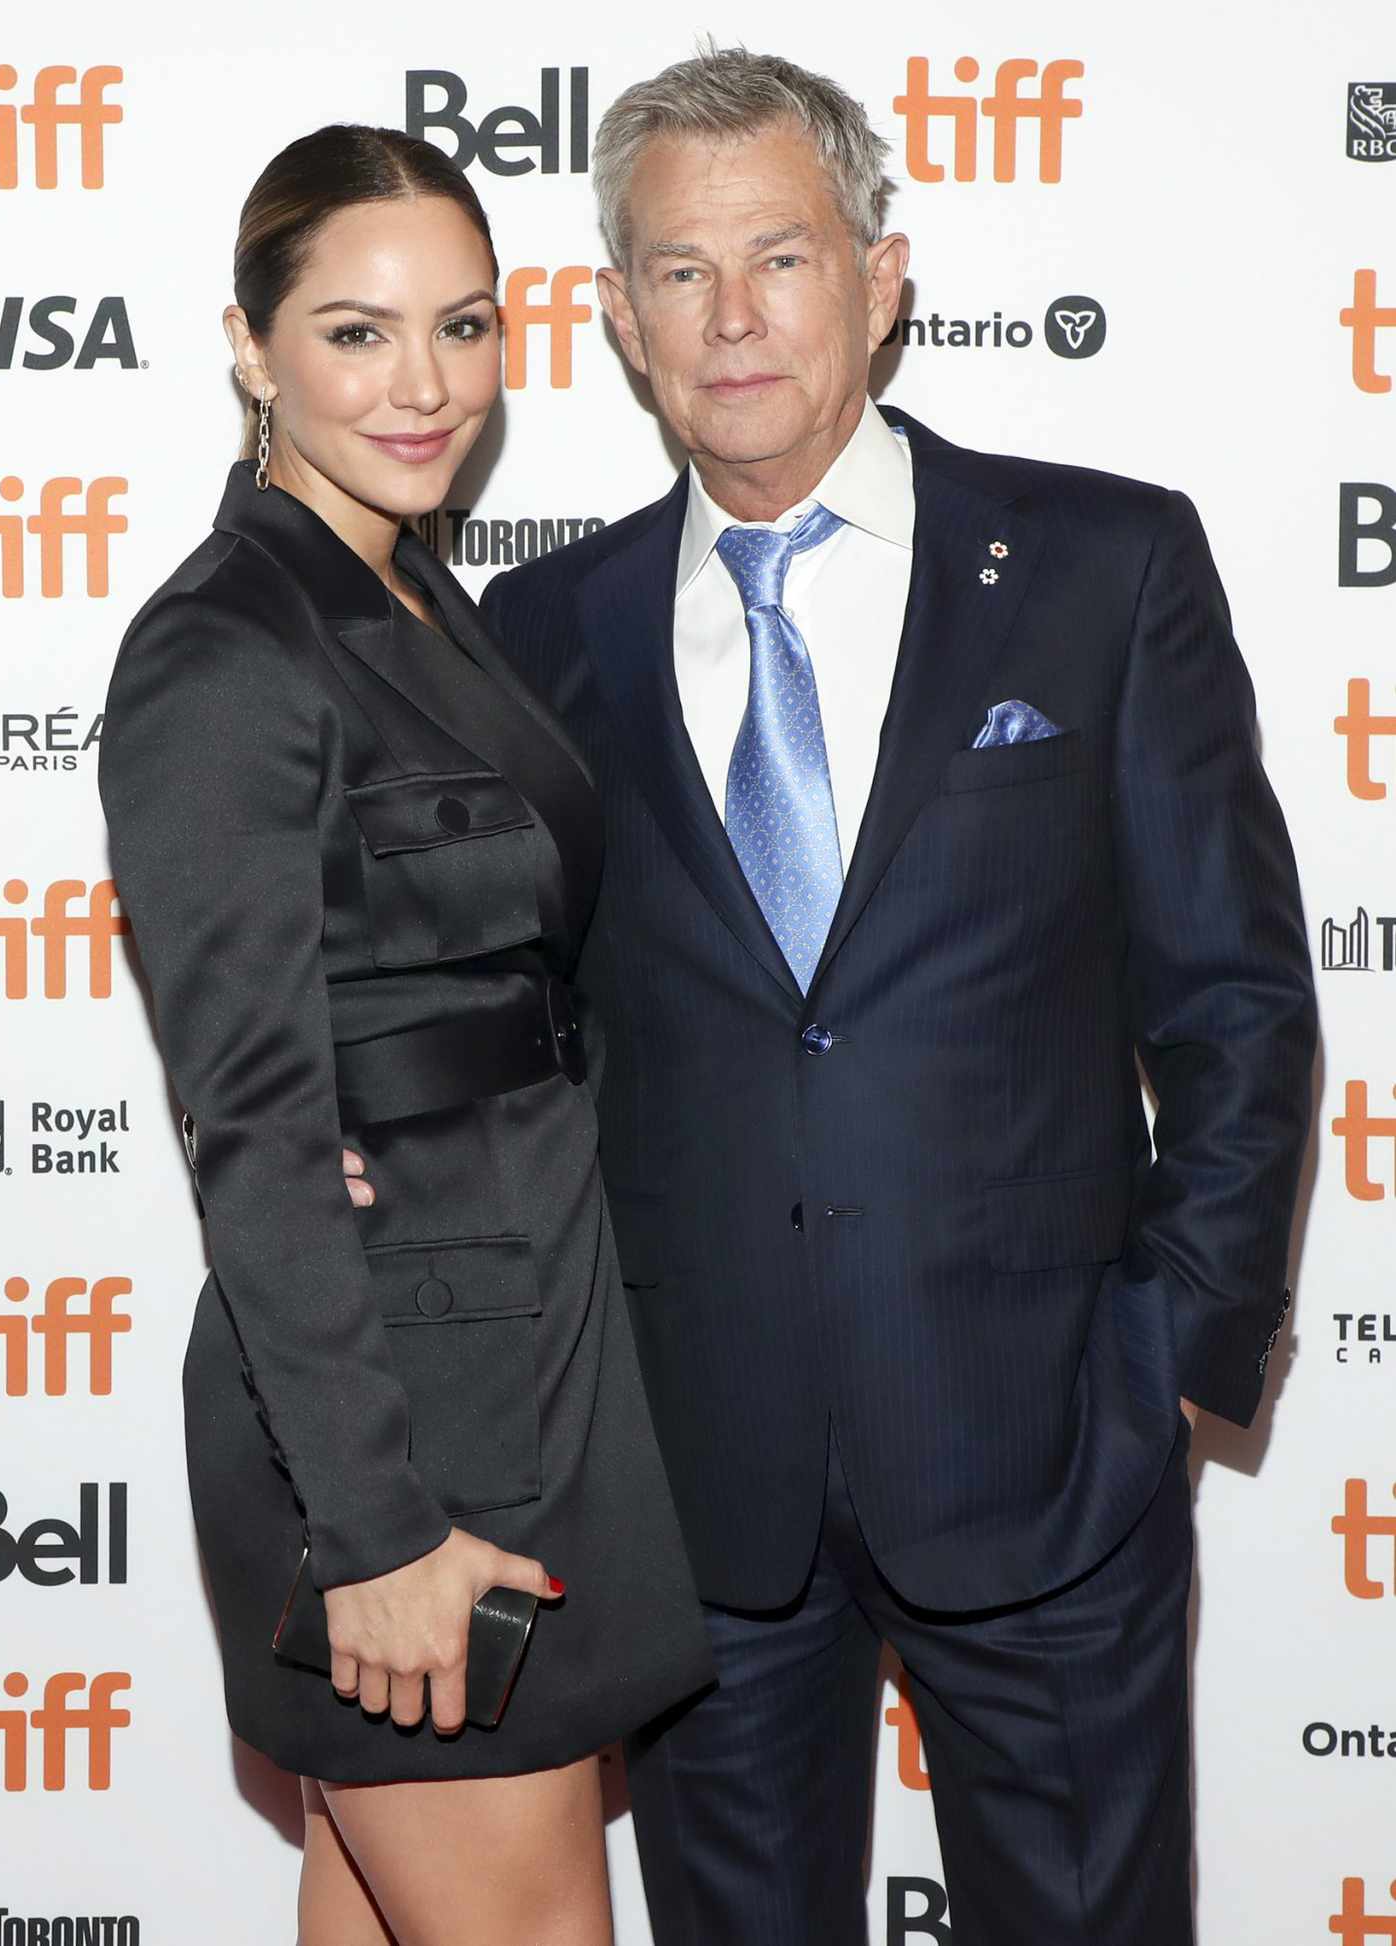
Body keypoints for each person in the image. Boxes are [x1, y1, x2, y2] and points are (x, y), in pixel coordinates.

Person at [429, 46, 1315, 1946]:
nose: (733, 315)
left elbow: (1236, 999)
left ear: (883, 273)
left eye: (782, 255)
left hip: (1048, 1462)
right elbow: (534, 1043)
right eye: (679, 270)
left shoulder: (1102, 563)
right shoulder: (541, 634)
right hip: (695, 1488)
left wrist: (1167, 1360)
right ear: (619, 320)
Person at [98, 123, 712, 1946]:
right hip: (404, 1414)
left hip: (525, 1338)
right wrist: (368, 1529)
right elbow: (257, 1118)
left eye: (463, 325)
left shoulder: (417, 596)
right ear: (249, 344)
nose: (425, 385)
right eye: (358, 334)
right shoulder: (226, 647)